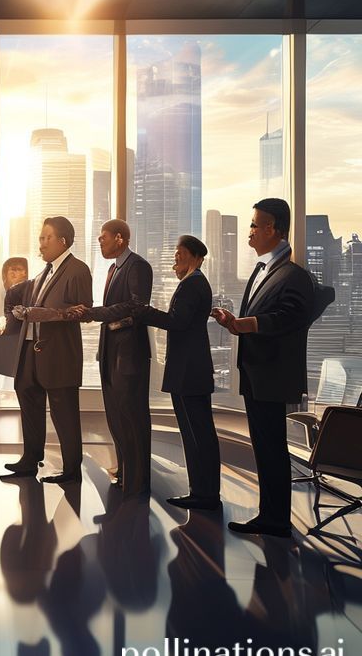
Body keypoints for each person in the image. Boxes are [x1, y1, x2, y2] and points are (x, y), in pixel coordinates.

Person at [212, 198, 313, 538]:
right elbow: (257, 318)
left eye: (255, 225)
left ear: (273, 229)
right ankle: (270, 515)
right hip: (257, 373)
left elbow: (290, 318)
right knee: (265, 447)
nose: (250, 232)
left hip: (272, 374)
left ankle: (275, 519)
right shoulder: (262, 270)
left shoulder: (294, 275)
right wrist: (235, 324)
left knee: (272, 447)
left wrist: (248, 324)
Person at [4, 217, 93, 484]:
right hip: (29, 351)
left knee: (64, 413)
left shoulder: (78, 270)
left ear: (62, 241)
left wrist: (46, 314)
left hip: (59, 355)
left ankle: (71, 470)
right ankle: (30, 460)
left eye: (46, 238)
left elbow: (84, 312)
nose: (40, 244)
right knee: (29, 406)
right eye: (40, 238)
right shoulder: (42, 273)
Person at [134, 235, 220, 510]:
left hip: (189, 370)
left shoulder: (193, 284)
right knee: (195, 432)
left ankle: (204, 494)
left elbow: (177, 322)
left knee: (198, 433)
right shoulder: (193, 283)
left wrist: (144, 312)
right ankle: (202, 491)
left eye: (180, 254)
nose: (175, 259)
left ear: (195, 257)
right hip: (190, 368)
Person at [74, 219, 153, 497]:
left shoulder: (138, 266)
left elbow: (136, 306)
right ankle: (125, 472)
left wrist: (93, 313)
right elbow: (116, 310)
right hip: (111, 354)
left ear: (120, 238)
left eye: (103, 237)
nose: (99, 241)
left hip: (129, 356)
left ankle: (138, 480)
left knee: (133, 419)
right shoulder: (113, 268)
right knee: (117, 418)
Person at [0, 257, 30, 378]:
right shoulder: (28, 289)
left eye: (18, 270)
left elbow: (11, 325)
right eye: (12, 270)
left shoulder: (14, 291)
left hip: (16, 348)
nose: (15, 274)